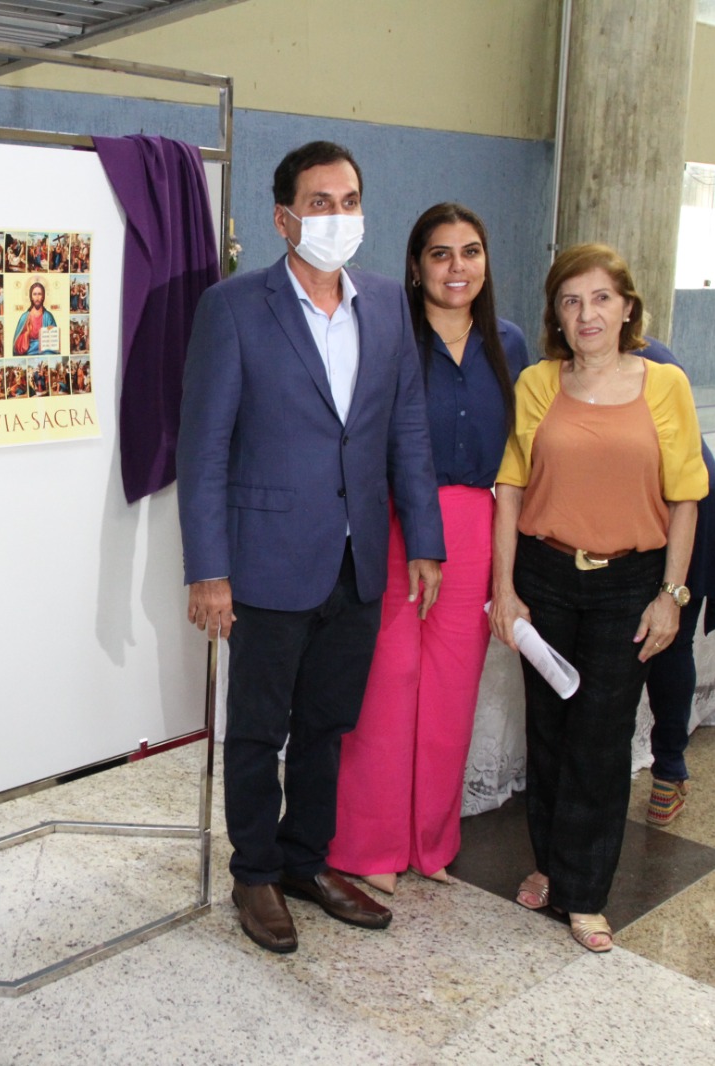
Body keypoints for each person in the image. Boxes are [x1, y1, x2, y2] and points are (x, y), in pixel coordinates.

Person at [176, 140, 445, 955]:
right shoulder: (233, 308)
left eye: (349, 200)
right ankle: (255, 871)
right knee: (259, 729)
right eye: (320, 202)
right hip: (265, 558)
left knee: (328, 725)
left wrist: (424, 539)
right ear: (283, 218)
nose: (338, 216)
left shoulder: (387, 304)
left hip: (357, 559)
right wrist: (208, 570)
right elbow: (204, 449)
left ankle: (305, 862)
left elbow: (405, 429)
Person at [490, 243, 706, 953]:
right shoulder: (537, 383)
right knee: (549, 730)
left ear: (627, 307)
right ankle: (551, 864)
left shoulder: (665, 385)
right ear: (556, 314)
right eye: (571, 300)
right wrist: (504, 590)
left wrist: (671, 595)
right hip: (546, 577)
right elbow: (511, 487)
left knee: (602, 736)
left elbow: (686, 497)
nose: (587, 314)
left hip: (628, 583)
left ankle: (585, 892)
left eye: (601, 298)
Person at [327, 203, 528, 894]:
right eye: (440, 254)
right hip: (394, 518)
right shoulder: (387, 335)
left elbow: (519, 458)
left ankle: (431, 841)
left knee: (451, 691)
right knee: (387, 684)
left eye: (470, 252)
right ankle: (368, 843)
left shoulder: (509, 343)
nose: (456, 267)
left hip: (475, 523)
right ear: (416, 267)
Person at [637, 337, 715, 825]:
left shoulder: (651, 361)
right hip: (659, 503)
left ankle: (669, 770)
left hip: (685, 506)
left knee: (668, 641)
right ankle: (666, 770)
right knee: (658, 645)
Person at [13, 279, 58, 355]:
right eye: (34, 294)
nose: (37, 297)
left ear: (43, 296)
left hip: (45, 350)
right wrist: (26, 333)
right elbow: (17, 345)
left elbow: (54, 341)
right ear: (31, 297)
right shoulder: (25, 317)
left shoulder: (48, 317)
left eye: (39, 294)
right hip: (29, 350)